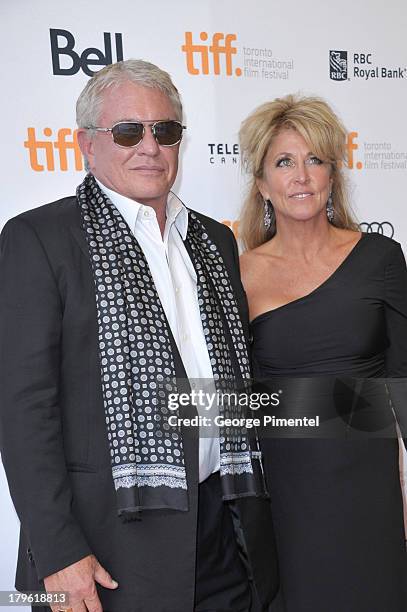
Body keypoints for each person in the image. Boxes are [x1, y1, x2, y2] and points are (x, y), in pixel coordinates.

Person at [0, 59, 279, 612]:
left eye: (166, 130)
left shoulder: (214, 243)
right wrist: (59, 554)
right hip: (105, 547)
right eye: (128, 131)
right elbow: (23, 411)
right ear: (86, 143)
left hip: (222, 532)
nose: (149, 146)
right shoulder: (40, 239)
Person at [238, 94, 407, 611]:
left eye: (315, 160)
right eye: (284, 162)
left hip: (369, 487)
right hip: (286, 491)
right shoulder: (238, 273)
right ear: (262, 184)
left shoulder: (380, 257)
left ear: (334, 176)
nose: (302, 176)